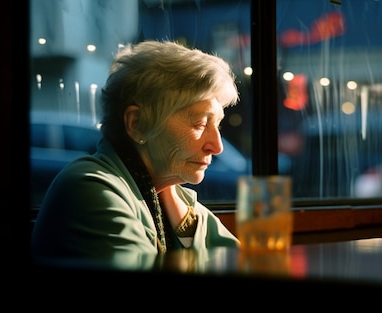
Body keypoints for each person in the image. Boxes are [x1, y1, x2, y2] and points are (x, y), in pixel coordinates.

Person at [31, 40, 240, 263]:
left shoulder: (170, 194)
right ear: (137, 123)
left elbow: (243, 262)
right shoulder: (90, 188)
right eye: (199, 124)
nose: (217, 147)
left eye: (216, 125)